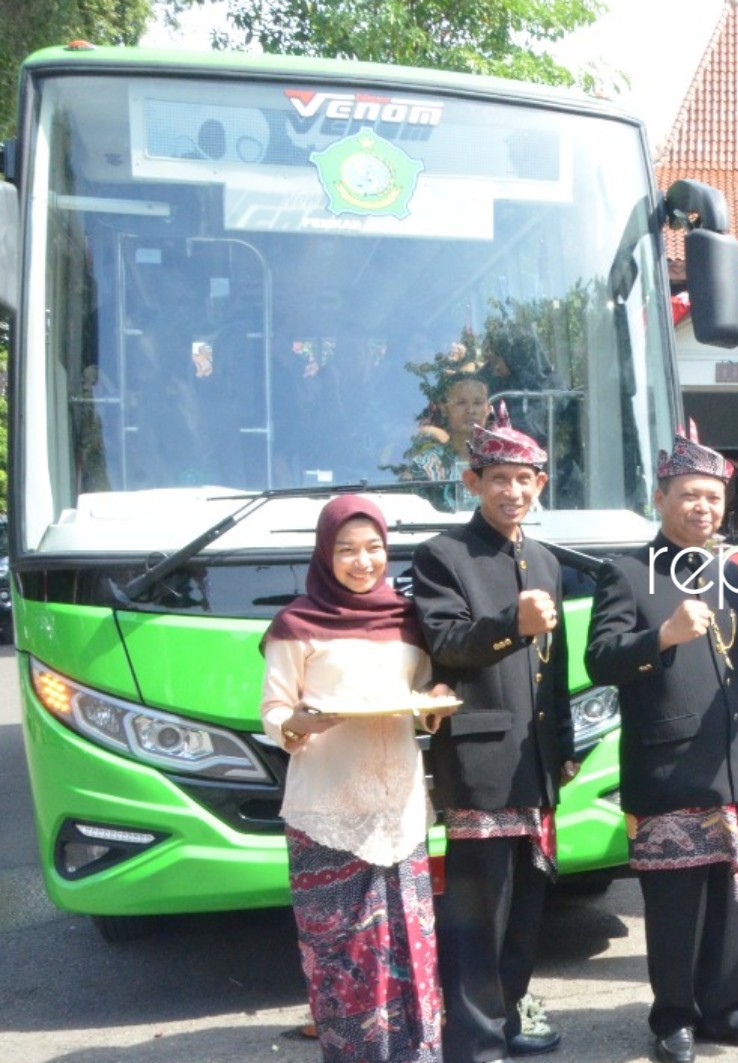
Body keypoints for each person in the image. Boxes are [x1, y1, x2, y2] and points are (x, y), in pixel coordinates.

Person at [585, 436, 738, 1063]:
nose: (703, 507)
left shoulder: (733, 575)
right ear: (660, 497)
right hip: (668, 764)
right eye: (690, 495)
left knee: (732, 897)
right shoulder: (627, 571)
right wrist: (661, 635)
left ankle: (728, 1008)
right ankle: (673, 1018)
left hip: (731, 763)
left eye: (713, 497)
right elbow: (601, 660)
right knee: (675, 904)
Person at [410, 403, 576, 1061]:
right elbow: (446, 642)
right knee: (477, 917)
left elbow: (553, 669)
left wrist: (562, 744)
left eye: (526, 478)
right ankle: (474, 1043)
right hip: (478, 762)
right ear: (474, 481)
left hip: (535, 766)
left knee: (526, 914)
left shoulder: (545, 558)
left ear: (540, 485)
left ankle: (506, 1021)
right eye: (500, 477)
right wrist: (511, 620)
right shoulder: (443, 554)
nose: (514, 490)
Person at [261, 495, 453, 1062]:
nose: (361, 561)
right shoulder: (296, 624)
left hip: (398, 806)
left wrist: (437, 702)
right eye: (346, 549)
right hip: (328, 809)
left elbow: (423, 698)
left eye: (373, 549)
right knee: (344, 955)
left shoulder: (406, 622)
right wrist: (295, 724)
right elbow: (273, 710)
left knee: (410, 945)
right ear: (325, 554)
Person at [405, 374, 491, 512]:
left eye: (478, 402)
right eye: (461, 402)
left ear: (488, 408)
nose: (470, 410)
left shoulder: (504, 461)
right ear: (445, 409)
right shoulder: (426, 465)